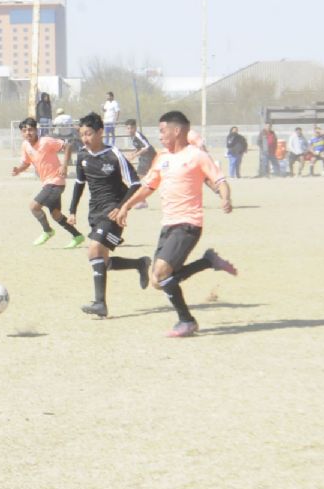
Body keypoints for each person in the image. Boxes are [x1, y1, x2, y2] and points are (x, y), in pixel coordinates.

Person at [114, 111, 237, 338]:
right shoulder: (161, 158)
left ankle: (187, 321)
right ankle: (208, 261)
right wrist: (126, 206)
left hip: (188, 224)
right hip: (168, 225)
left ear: (177, 130)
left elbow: (219, 180)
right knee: (156, 281)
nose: (160, 136)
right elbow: (147, 187)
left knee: (161, 274)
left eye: (163, 131)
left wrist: (225, 197)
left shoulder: (197, 156)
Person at [67, 112, 150, 318]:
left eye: (88, 134)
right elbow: (79, 184)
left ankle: (100, 304)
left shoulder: (114, 154)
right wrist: (72, 210)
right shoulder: (83, 156)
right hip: (95, 212)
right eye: (82, 134)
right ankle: (139, 263)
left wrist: (122, 207)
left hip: (114, 212)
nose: (85, 138)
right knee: (101, 261)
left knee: (94, 250)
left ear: (100, 132)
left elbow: (135, 184)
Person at [12, 117, 85, 248]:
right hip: (47, 183)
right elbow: (26, 163)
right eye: (24, 131)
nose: (28, 133)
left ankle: (48, 231)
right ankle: (77, 236)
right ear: (21, 133)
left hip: (56, 182)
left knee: (34, 207)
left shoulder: (45, 141)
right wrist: (19, 169)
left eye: (30, 130)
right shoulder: (25, 145)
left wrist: (64, 166)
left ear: (36, 130)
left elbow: (68, 146)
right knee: (56, 215)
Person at [124, 119, 155, 209]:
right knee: (138, 179)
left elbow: (147, 147)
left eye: (131, 128)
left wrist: (135, 155)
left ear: (135, 127)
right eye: (128, 128)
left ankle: (142, 201)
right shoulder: (132, 136)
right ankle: (142, 201)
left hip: (148, 158)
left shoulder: (137, 135)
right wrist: (133, 153)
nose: (129, 130)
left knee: (136, 179)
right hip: (144, 159)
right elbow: (139, 148)